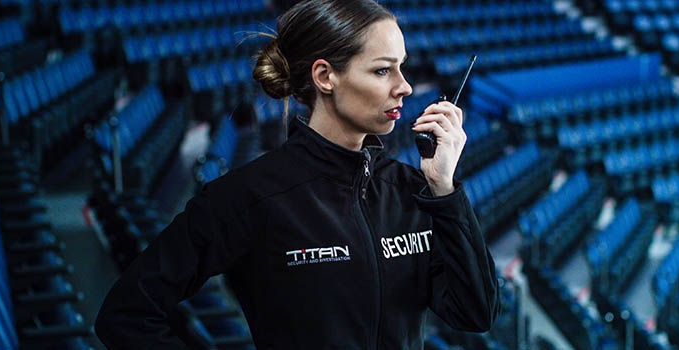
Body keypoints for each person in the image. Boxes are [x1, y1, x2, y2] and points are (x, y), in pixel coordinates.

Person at [94, 0, 500, 348]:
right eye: (383, 71)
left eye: (403, 68)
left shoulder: (410, 190)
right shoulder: (252, 195)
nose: (406, 87)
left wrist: (445, 191)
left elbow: (475, 313)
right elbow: (126, 314)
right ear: (326, 77)